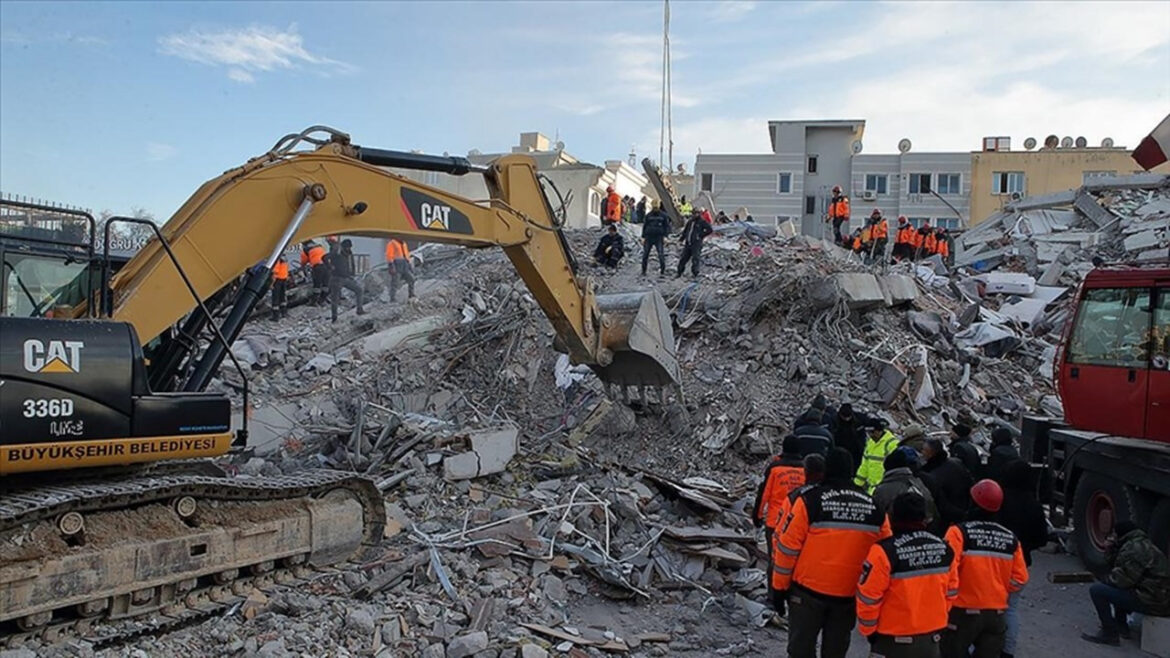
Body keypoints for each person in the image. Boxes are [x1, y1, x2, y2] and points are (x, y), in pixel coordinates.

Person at [773, 448, 890, 658]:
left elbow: (787, 548)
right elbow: (885, 556)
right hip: (847, 596)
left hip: (807, 592)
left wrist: (779, 588)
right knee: (836, 651)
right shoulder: (874, 507)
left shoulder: (810, 500)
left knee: (800, 649)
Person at [857, 492, 958, 658]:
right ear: (924, 518)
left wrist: (869, 631)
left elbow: (869, 597)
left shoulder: (884, 551)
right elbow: (951, 592)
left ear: (894, 517)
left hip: (892, 639)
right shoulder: (944, 549)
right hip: (931, 639)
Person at [941, 480, 1029, 658]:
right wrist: (996, 588)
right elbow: (1020, 579)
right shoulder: (1010, 538)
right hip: (995, 615)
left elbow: (946, 571)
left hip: (962, 612)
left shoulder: (958, 533)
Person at [1081, 520, 1170, 645]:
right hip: (1158, 597)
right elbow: (1121, 570)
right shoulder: (1143, 544)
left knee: (1097, 591)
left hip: (1153, 601)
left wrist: (1103, 579)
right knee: (1119, 589)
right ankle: (1121, 626)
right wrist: (1110, 550)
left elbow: (1121, 580)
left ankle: (1109, 633)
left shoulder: (1133, 549)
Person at [996, 459, 1050, 657]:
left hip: (994, 563)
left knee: (987, 607)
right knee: (1011, 609)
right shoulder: (1033, 505)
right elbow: (1042, 539)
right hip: (1019, 565)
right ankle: (1008, 651)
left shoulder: (999, 499)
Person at [753, 435, 806, 554]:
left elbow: (763, 495)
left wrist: (758, 516)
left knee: (773, 557)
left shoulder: (775, 468)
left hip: (775, 520)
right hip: (798, 522)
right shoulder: (806, 470)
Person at [871, 447, 938, 528]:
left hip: (894, 533)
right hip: (924, 531)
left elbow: (875, 518)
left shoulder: (883, 490)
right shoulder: (919, 483)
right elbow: (931, 508)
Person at [920, 438, 974, 532]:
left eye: (924, 450)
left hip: (947, 519)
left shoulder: (933, 476)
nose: (921, 452)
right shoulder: (956, 463)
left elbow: (940, 504)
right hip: (964, 510)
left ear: (931, 453)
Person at [855, 417, 900, 494]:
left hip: (884, 490)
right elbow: (864, 466)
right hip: (871, 489)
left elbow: (896, 469)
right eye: (868, 432)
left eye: (872, 432)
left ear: (879, 431)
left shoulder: (892, 444)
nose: (870, 435)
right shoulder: (871, 443)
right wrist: (856, 485)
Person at [327, 239, 365, 323]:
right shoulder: (337, 252)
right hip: (336, 278)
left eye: (349, 247)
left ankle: (359, 309)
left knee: (359, 290)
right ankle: (334, 318)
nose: (348, 249)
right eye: (347, 247)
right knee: (335, 299)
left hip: (345, 278)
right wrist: (330, 267)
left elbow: (350, 264)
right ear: (343, 246)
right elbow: (324, 258)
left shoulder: (348, 254)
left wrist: (351, 274)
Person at [676, 211, 713, 278]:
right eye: (694, 213)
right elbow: (685, 231)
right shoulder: (690, 222)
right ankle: (679, 272)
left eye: (696, 213)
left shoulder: (702, 222)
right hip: (688, 243)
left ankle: (695, 274)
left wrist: (700, 236)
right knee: (683, 258)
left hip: (696, 244)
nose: (695, 215)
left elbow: (710, 230)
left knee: (695, 259)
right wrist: (681, 239)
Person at [640, 200, 670, 276]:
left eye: (656, 207)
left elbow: (667, 227)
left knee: (660, 254)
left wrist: (666, 237)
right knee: (645, 255)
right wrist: (643, 237)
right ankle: (643, 271)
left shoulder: (663, 215)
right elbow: (645, 226)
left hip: (659, 237)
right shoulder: (648, 215)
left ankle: (662, 271)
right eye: (654, 207)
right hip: (649, 237)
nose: (655, 209)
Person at [832, 403, 867, 467]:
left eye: (848, 417)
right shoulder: (834, 420)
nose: (846, 419)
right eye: (844, 417)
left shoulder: (859, 419)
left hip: (856, 451)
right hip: (839, 450)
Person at [300, 240, 329, 305]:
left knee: (317, 285)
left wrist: (302, 268)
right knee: (325, 284)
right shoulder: (319, 247)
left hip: (317, 267)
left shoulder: (306, 250)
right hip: (326, 266)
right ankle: (322, 299)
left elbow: (303, 262)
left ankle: (314, 301)